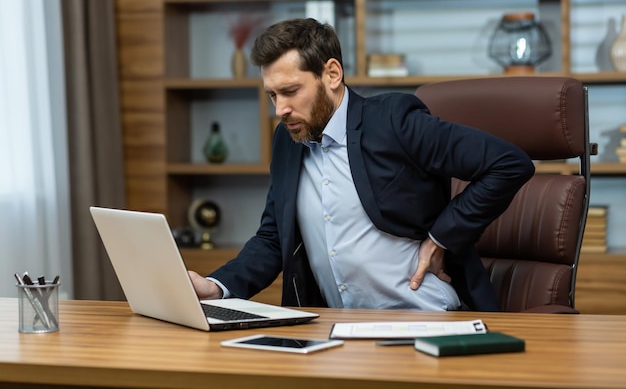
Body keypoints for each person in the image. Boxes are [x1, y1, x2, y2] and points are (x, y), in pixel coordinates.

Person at [188, 18, 534, 311]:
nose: (280, 109)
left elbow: (508, 163)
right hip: (337, 333)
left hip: (425, 320)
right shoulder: (287, 141)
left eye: (291, 91)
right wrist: (216, 286)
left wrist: (441, 237)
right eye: (273, 95)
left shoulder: (395, 122)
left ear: (332, 74)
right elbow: (273, 238)